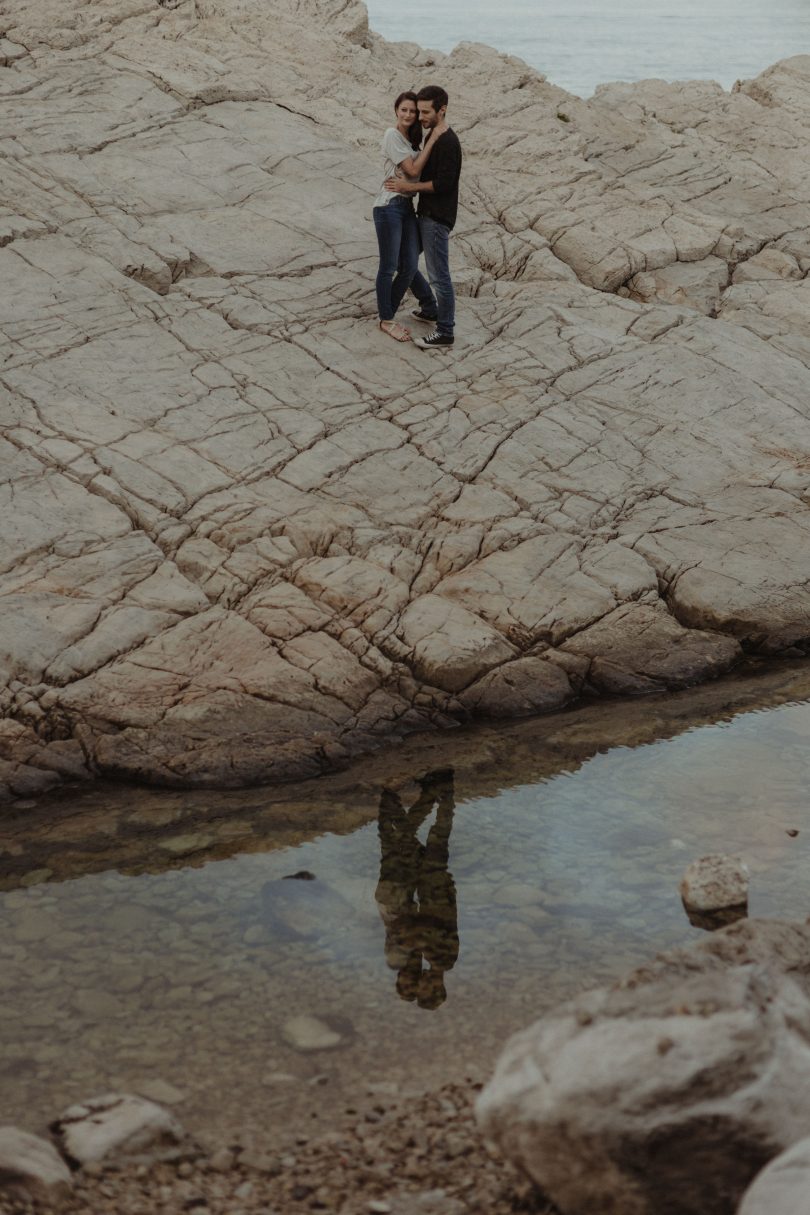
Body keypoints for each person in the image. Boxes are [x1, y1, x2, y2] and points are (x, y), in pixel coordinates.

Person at [384, 84, 462, 349]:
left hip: (437, 218)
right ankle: (429, 307)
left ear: (442, 110)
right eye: (418, 111)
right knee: (404, 261)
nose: (420, 117)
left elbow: (444, 184)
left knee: (439, 276)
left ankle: (445, 331)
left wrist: (409, 187)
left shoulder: (448, 141)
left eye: (426, 112)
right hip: (425, 214)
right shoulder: (432, 136)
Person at [374, 768, 458, 1010]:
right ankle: (435, 789)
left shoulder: (423, 960)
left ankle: (430, 791)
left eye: (417, 986)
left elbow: (411, 928)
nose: (422, 982)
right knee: (429, 838)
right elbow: (428, 926)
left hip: (421, 894)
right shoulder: (439, 959)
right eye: (424, 987)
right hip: (435, 894)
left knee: (409, 840)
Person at [373, 92, 445, 343]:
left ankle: (430, 307)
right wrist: (433, 140)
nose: (408, 115)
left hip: (406, 207)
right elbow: (413, 170)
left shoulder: (412, 140)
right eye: (403, 110)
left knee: (410, 264)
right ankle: (386, 318)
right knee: (389, 266)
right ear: (396, 110)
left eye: (413, 111)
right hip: (388, 206)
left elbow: (416, 174)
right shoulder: (391, 135)